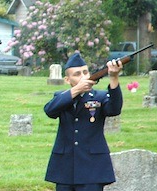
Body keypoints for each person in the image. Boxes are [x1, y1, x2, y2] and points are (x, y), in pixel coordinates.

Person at [44, 53, 123, 191]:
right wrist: (76, 90)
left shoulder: (100, 96)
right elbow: (50, 111)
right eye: (77, 74)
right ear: (67, 79)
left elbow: (114, 109)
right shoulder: (62, 97)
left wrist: (114, 77)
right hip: (65, 167)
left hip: (92, 166)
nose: (83, 76)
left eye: (85, 72)